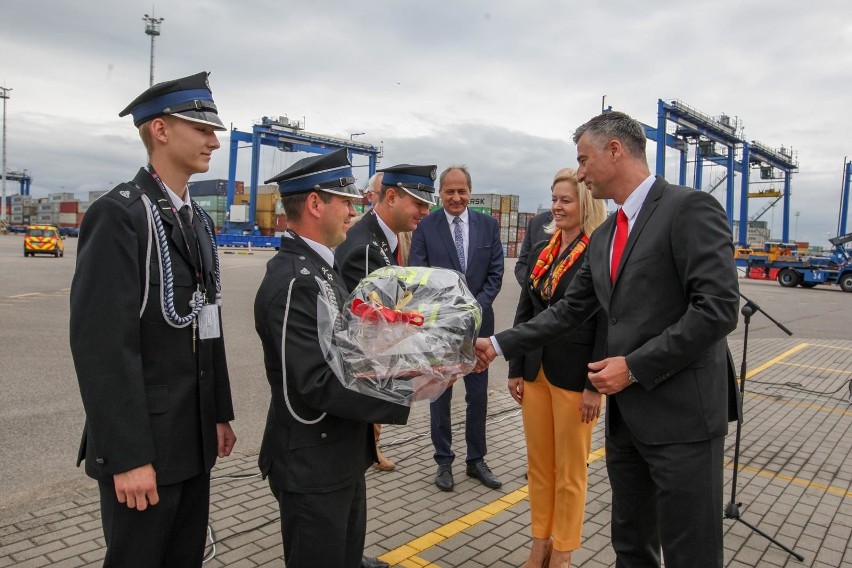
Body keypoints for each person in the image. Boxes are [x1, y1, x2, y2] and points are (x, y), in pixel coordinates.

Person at [476, 111, 741, 568]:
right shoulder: (606, 236)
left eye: (583, 160)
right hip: (629, 423)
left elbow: (717, 309)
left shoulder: (688, 207)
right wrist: (498, 346)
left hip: (683, 420)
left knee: (689, 552)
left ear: (615, 150)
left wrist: (634, 365)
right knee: (631, 547)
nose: (579, 173)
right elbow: (568, 311)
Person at [70, 71, 237, 567]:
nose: (214, 140)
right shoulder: (119, 215)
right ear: (161, 130)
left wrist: (219, 411)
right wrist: (127, 458)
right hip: (144, 448)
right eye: (201, 128)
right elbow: (102, 346)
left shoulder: (197, 219)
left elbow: (208, 321)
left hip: (193, 437)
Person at [255, 148, 411, 568]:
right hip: (312, 464)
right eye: (344, 201)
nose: (353, 210)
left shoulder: (320, 270)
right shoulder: (295, 281)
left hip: (337, 455)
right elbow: (316, 382)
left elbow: (349, 354)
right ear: (314, 203)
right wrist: (406, 390)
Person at [509, 168, 607, 568]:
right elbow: (527, 307)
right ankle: (540, 542)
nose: (557, 206)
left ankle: (563, 550)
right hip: (535, 372)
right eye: (554, 198)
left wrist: (594, 385)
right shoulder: (544, 247)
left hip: (573, 375)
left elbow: (604, 320)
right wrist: (515, 365)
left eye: (565, 200)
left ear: (584, 203)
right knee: (540, 467)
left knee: (570, 471)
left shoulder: (596, 249)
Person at [409, 165, 505, 491]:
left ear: (470, 191)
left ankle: (476, 460)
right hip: (442, 328)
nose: (456, 197)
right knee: (441, 395)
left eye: (461, 191)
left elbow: (495, 275)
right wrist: (452, 313)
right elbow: (419, 275)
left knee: (477, 397)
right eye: (449, 191)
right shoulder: (426, 228)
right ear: (440, 194)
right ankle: (443, 461)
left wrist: (473, 309)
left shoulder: (488, 226)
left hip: (479, 327)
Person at [335, 166, 435, 472]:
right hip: (354, 386)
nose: (425, 212)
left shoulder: (380, 238)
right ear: (391, 197)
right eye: (419, 203)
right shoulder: (366, 247)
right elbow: (369, 334)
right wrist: (427, 362)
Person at [514, 210, 552, 285]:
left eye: (566, 200)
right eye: (554, 200)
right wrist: (533, 287)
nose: (556, 206)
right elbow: (522, 265)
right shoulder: (537, 222)